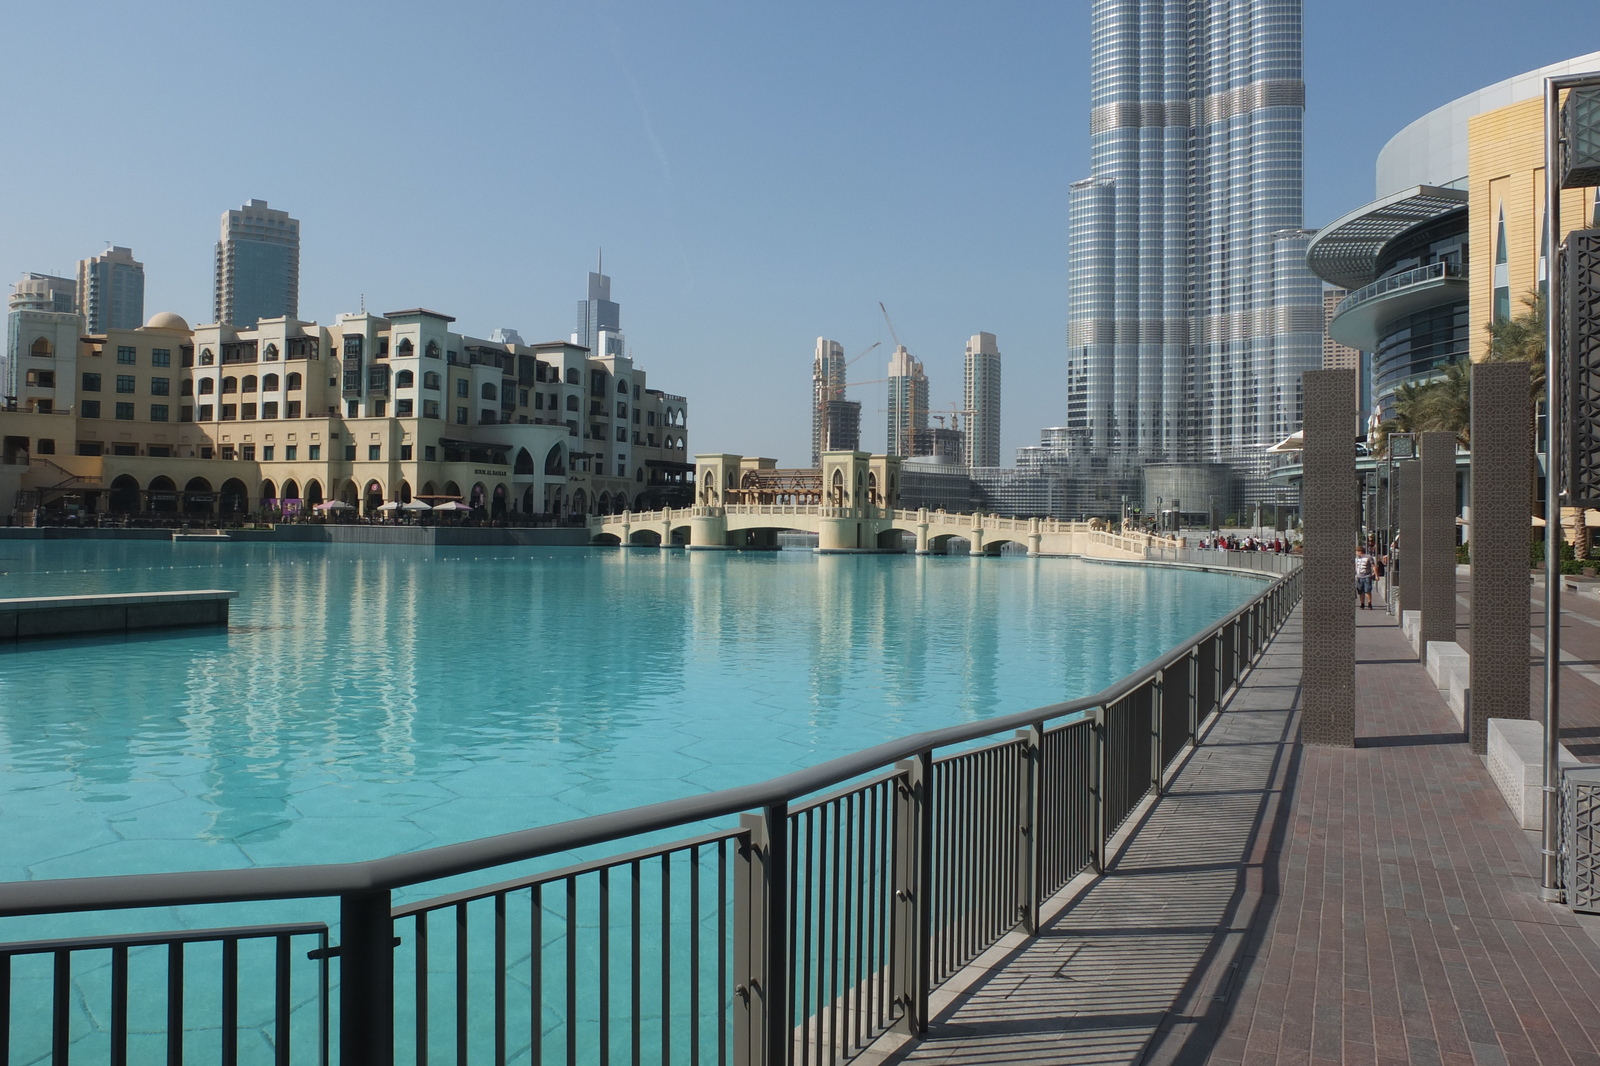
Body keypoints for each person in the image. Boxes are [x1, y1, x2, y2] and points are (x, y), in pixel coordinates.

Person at [1355, 544, 1376, 609]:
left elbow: (1373, 566)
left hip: (1367, 576)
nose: (1356, 553)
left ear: (1360, 551)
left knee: (1367, 590)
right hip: (1359, 576)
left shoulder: (1368, 557)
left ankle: (1369, 603)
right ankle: (1362, 604)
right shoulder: (1356, 559)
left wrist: (1376, 574)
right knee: (1361, 591)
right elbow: (1356, 567)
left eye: (1356, 551)